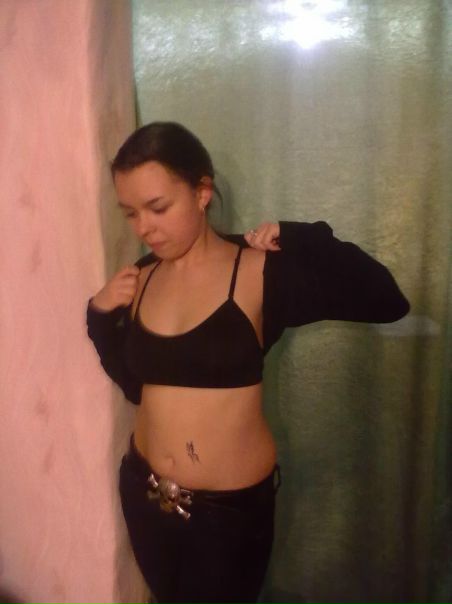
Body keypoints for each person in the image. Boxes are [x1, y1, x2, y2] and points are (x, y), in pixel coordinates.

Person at [86, 122, 410, 604]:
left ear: (202, 192)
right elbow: (136, 386)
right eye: (131, 213)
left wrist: (300, 236)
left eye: (158, 207)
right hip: (144, 493)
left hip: (226, 518)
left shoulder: (258, 270)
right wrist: (99, 316)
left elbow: (386, 299)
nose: (144, 228)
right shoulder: (142, 278)